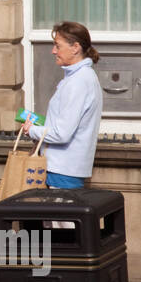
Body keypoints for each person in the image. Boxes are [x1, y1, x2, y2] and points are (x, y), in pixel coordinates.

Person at [24, 21, 102, 190]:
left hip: (62, 170)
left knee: (61, 216)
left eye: (57, 46)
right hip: (64, 168)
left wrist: (31, 130)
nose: (53, 51)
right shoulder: (79, 78)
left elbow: (62, 134)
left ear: (75, 48)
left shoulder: (78, 81)